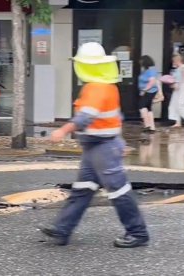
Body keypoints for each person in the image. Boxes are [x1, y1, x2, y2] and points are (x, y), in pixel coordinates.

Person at [40, 42, 149, 248]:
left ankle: (138, 233)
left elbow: (85, 118)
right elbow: (116, 118)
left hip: (103, 147)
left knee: (118, 191)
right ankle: (62, 229)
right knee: (83, 189)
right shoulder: (105, 86)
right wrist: (121, 141)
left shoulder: (96, 88)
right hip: (97, 147)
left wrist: (62, 130)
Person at [168, 54, 184, 127]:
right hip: (178, 87)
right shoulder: (177, 69)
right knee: (175, 103)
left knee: (180, 103)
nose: (173, 63)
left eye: (174, 61)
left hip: (183, 87)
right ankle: (178, 122)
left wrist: (178, 84)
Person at [138, 55, 158, 133]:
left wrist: (145, 90)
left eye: (141, 61)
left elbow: (152, 82)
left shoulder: (151, 71)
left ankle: (147, 125)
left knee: (142, 106)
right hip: (148, 91)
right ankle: (152, 127)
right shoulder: (146, 70)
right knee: (148, 108)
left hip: (149, 92)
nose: (140, 62)